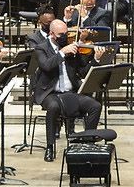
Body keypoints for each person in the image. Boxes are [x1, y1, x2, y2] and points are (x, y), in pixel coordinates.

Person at [29, 18, 103, 161]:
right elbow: (46, 65)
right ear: (51, 34)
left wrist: (96, 59)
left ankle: (87, 143)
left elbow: (82, 72)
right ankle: (50, 147)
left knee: (95, 106)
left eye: (66, 33)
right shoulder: (41, 48)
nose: (64, 37)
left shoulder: (72, 48)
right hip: (50, 93)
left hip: (71, 92)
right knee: (53, 107)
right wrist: (62, 53)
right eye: (60, 34)